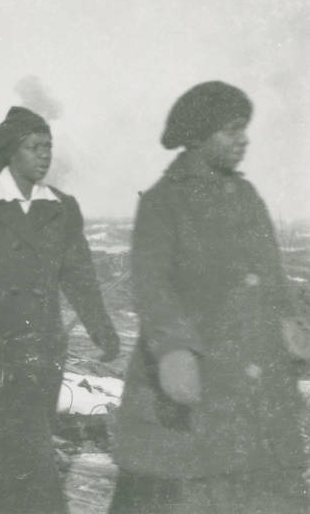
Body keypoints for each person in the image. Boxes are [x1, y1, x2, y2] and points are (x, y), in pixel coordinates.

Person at [110, 81, 310, 513]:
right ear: (198, 135)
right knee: (184, 489)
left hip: (258, 383)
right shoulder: (164, 202)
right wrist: (174, 351)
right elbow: (152, 287)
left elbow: (270, 274)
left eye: (245, 128)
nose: (244, 139)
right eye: (232, 129)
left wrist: (289, 320)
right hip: (197, 379)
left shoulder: (247, 196)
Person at [0, 106, 120, 514]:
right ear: (9, 153)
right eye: (34, 146)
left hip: (41, 349)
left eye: (48, 146)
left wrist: (102, 330)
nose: (45, 155)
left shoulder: (62, 207)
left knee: (32, 449)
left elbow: (79, 277)